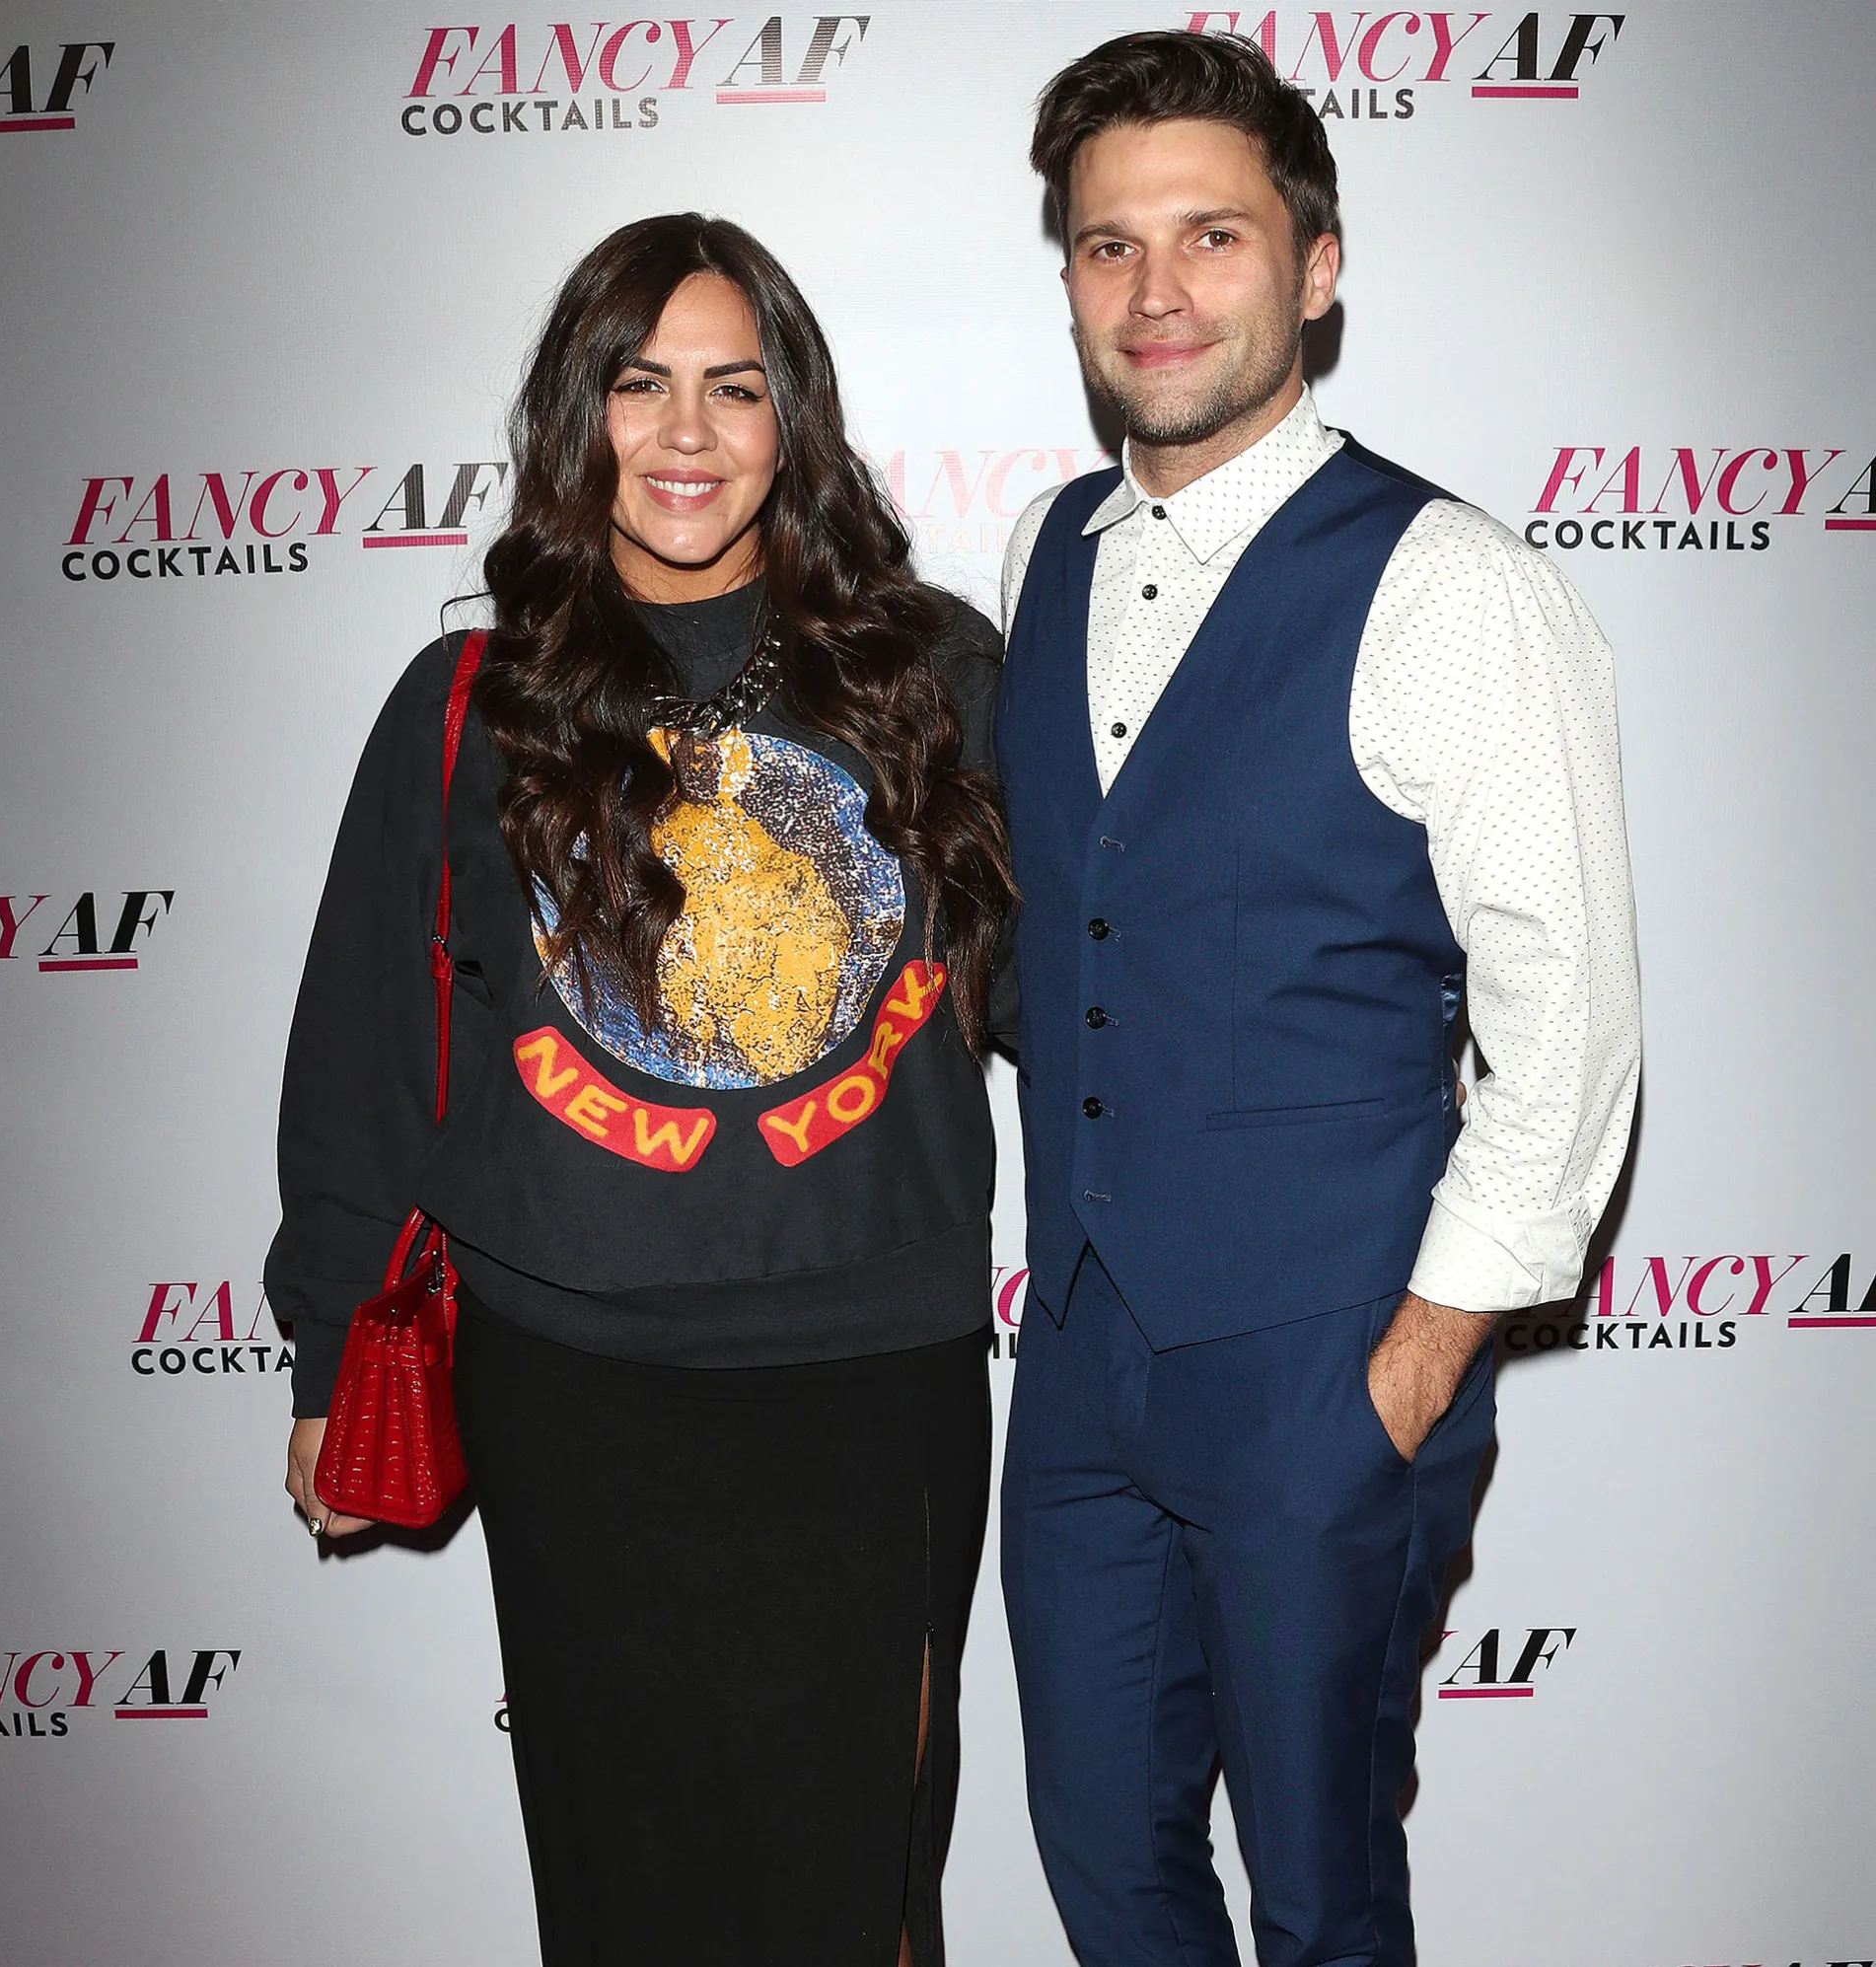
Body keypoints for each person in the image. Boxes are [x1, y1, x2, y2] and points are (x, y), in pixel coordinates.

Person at [266, 212, 1017, 1967]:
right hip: (574, 1379)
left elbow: (1066, 984)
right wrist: (326, 1350)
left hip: (866, 1371)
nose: (687, 433)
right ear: (576, 412)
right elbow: (364, 1047)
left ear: (791, 420)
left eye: (734, 388)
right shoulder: (469, 700)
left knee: (861, 1891)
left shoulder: (930, 670)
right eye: (640, 383)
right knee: (628, 1895)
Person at [994, 32, 1639, 1967]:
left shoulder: (1451, 585)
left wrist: (1406, 1373)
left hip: (1323, 1362)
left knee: (1320, 1901)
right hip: (1080, 1353)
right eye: (1108, 245)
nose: (1157, 289)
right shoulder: (1040, 552)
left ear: (1316, 263)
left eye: (1211, 234)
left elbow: (1566, 1025)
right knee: (1105, 1868)